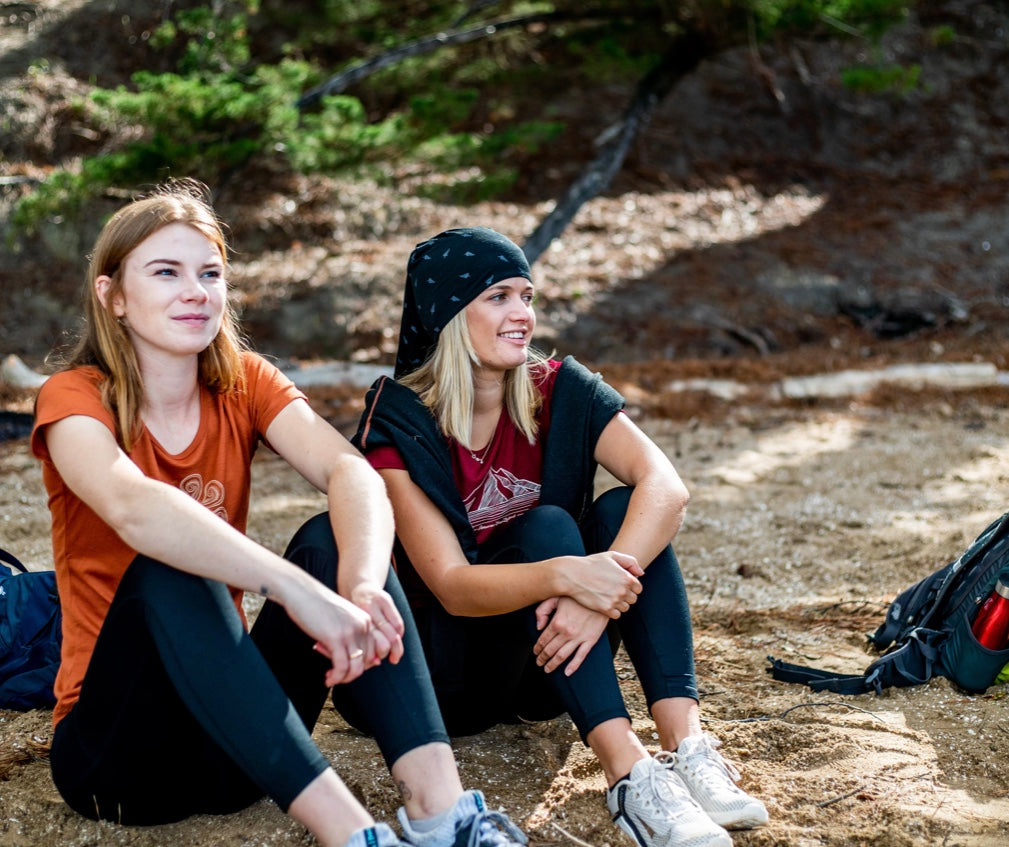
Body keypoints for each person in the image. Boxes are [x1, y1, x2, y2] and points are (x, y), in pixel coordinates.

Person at [30, 183, 527, 847]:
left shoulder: (243, 381)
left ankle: (444, 814)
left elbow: (350, 471)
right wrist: (296, 591)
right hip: (120, 761)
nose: (195, 292)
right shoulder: (72, 398)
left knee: (332, 540)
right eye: (166, 272)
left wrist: (358, 587)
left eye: (210, 274)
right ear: (113, 295)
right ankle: (355, 836)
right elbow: (134, 507)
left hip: (239, 746)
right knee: (172, 567)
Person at [352, 227, 769, 847]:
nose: (523, 314)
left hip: (548, 665)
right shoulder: (399, 420)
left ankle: (687, 747)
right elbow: (452, 585)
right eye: (498, 297)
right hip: (453, 677)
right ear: (447, 314)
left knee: (624, 509)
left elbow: (666, 486)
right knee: (548, 526)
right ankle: (628, 773)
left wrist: (595, 594)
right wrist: (570, 576)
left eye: (527, 296)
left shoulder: (556, 389)